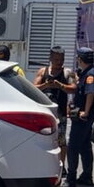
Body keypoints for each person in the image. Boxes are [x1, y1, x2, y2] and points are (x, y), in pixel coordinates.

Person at [33, 46, 76, 176]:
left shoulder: (68, 73)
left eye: (61, 59)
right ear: (51, 58)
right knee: (42, 140)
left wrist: (60, 85)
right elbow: (33, 88)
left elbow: (74, 88)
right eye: (56, 59)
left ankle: (61, 167)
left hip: (60, 114)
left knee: (61, 141)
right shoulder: (43, 71)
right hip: (44, 113)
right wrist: (46, 85)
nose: (59, 62)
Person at [62, 47, 94, 187]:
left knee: (73, 147)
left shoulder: (90, 75)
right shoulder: (87, 73)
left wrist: (85, 112)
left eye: (78, 58)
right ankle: (87, 177)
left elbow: (90, 93)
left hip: (82, 117)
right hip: (82, 116)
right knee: (85, 147)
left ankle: (71, 179)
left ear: (80, 59)